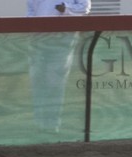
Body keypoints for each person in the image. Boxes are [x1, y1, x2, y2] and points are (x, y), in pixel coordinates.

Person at [28, 0, 89, 135]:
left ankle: (52, 125)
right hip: (39, 38)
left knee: (54, 81)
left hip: (63, 37)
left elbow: (84, 7)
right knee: (38, 80)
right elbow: (31, 10)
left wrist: (65, 9)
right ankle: (39, 124)